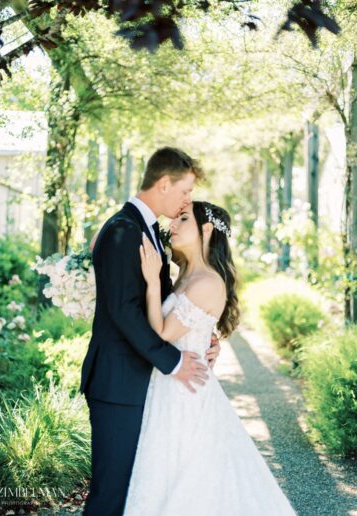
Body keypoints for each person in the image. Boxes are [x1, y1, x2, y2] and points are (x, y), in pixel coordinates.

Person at [122, 200, 297, 516]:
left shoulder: (207, 281)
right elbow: (192, 327)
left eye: (183, 219)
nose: (172, 225)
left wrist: (151, 281)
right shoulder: (187, 276)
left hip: (186, 393)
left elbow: (162, 333)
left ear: (206, 229)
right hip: (171, 387)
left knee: (190, 479)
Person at [79, 147, 221, 515]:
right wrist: (173, 361)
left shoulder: (145, 229)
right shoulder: (124, 230)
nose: (188, 199)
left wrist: (204, 336)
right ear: (163, 184)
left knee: (132, 491)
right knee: (110, 494)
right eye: (185, 191)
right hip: (118, 383)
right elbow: (124, 311)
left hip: (140, 383)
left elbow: (170, 305)